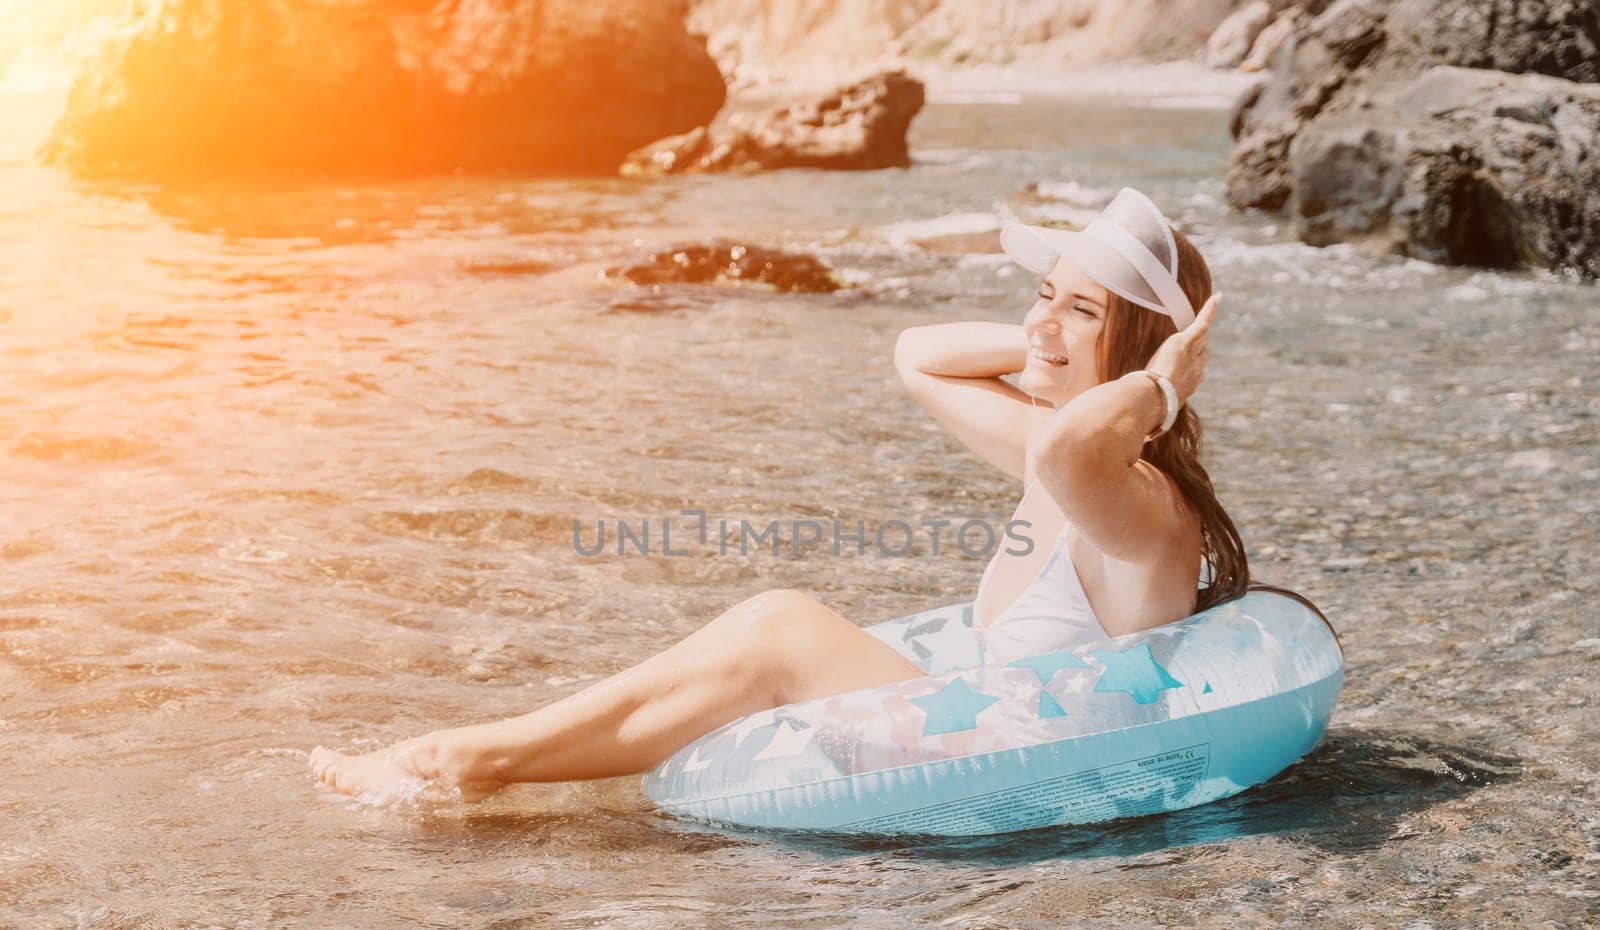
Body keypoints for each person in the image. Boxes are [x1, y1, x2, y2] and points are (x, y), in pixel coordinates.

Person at [309, 187, 1252, 802]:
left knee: (779, 625)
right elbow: (916, 358)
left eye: (1081, 309)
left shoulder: (1138, 502)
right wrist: (1055, 339)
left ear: (1138, 350)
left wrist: (1162, 380)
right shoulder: (1066, 451)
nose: (1042, 318)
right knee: (764, 632)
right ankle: (485, 755)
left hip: (1035, 767)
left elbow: (1073, 453)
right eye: (1041, 291)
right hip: (998, 724)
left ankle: (475, 757)